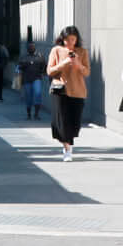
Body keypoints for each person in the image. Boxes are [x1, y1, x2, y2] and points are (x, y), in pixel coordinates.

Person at [45, 25, 89, 161]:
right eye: (67, 40)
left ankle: (68, 143)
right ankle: (67, 149)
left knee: (75, 123)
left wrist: (77, 63)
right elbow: (50, 71)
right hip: (60, 90)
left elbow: (86, 72)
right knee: (62, 122)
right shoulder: (56, 50)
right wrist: (63, 63)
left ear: (77, 39)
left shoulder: (82, 52)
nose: (70, 43)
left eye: (73, 39)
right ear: (62, 39)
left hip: (77, 91)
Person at [17, 36, 48, 121]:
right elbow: (19, 67)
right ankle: (29, 114)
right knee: (28, 96)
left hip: (37, 78)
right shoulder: (23, 57)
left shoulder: (39, 57)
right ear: (27, 48)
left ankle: (36, 114)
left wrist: (44, 72)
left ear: (35, 48)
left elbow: (44, 66)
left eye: (33, 47)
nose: (31, 48)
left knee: (37, 94)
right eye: (29, 47)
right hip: (27, 79)